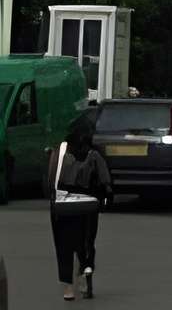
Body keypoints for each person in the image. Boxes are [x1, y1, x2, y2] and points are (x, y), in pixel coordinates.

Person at [48, 116, 111, 302]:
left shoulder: (59, 151)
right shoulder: (95, 154)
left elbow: (51, 178)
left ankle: (68, 289)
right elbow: (105, 182)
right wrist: (104, 200)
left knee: (63, 245)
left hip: (62, 205)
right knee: (86, 241)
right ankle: (86, 268)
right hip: (88, 204)